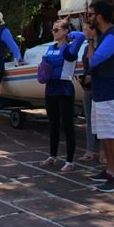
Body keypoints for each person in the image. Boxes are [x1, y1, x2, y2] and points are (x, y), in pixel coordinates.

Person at [84, 0, 114, 193]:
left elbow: (94, 61)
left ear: (100, 16)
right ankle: (110, 170)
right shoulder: (105, 36)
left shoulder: (113, 36)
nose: (89, 18)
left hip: (110, 92)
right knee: (104, 134)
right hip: (101, 92)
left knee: (112, 135)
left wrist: (91, 41)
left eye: (91, 14)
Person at [39, 19, 86, 172]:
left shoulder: (69, 49)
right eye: (53, 30)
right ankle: (52, 155)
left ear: (65, 31)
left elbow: (81, 37)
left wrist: (70, 32)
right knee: (53, 124)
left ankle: (70, 160)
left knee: (67, 125)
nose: (54, 32)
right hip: (50, 88)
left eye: (58, 29)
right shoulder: (51, 48)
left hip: (64, 89)